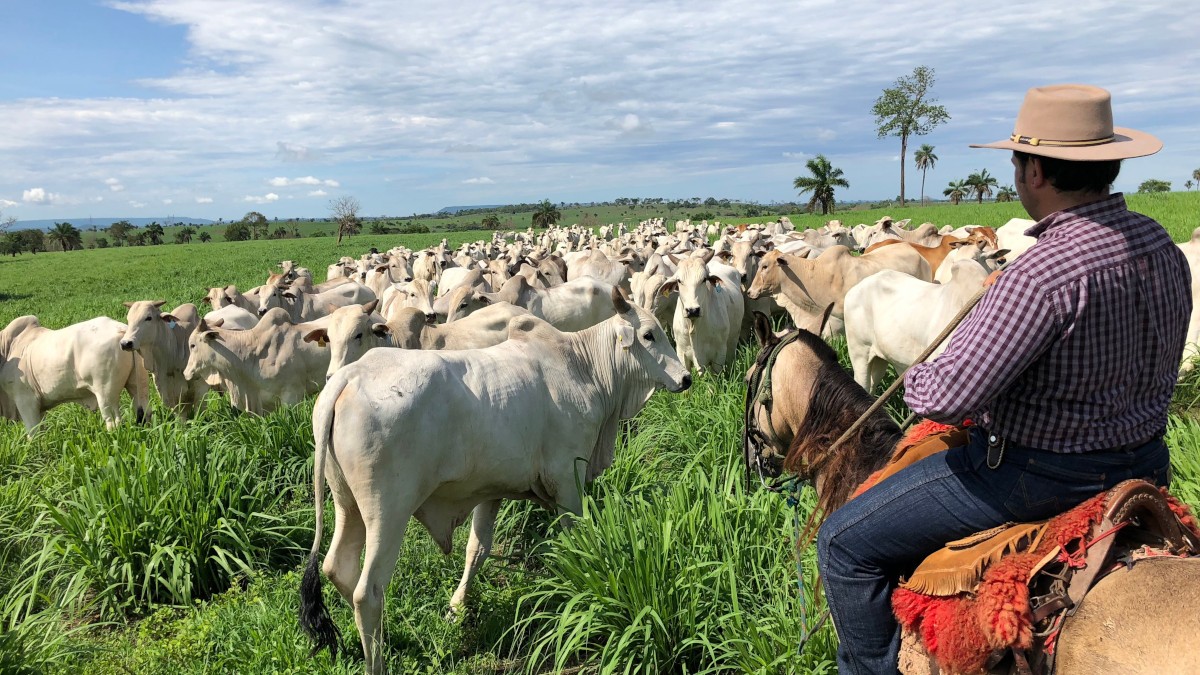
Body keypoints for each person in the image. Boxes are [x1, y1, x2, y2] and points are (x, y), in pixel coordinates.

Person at [815, 84, 1191, 674]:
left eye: (1017, 162)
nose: (1016, 174)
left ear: (1035, 170)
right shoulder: (1161, 246)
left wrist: (940, 360)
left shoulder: (1041, 272)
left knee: (843, 543)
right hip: (1145, 461)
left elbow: (945, 397)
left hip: (1037, 478)